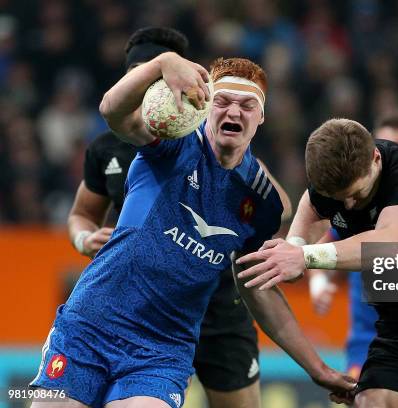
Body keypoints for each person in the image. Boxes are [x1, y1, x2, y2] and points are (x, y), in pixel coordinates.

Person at [31, 52, 355, 407]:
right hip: (90, 327)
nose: (234, 112)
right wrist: (162, 62)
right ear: (207, 106)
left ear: (261, 116)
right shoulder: (175, 142)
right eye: (224, 101)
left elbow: (258, 290)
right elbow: (112, 111)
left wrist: (318, 368)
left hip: (160, 352)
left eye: (247, 105)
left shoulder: (262, 202)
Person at [66, 27, 292, 408]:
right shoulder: (108, 146)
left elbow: (276, 206)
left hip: (217, 305)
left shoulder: (205, 141)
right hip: (133, 306)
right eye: (135, 72)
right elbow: (81, 215)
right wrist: (83, 238)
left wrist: (233, 155)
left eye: (154, 72)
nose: (144, 83)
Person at [236, 118, 398, 408]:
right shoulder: (326, 190)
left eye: (356, 193)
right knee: (371, 401)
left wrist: (305, 256)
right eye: (340, 198)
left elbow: (387, 247)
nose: (349, 206)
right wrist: (288, 253)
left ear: (375, 158)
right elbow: (300, 237)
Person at [306, 109, 398, 380]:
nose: (387, 152)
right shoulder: (355, 209)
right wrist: (318, 284)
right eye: (382, 144)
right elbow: (322, 247)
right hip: (368, 337)